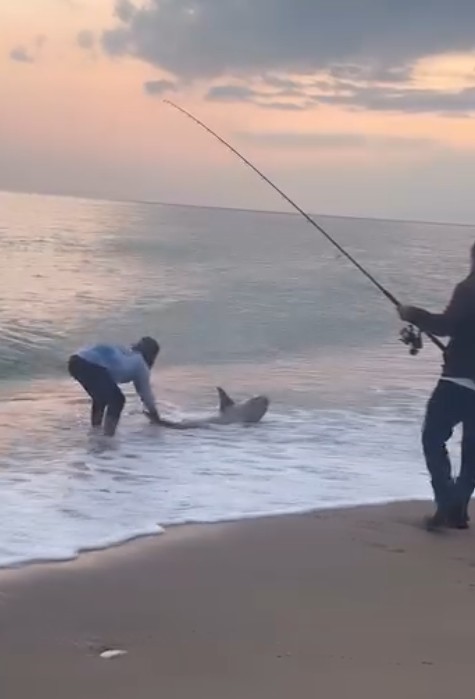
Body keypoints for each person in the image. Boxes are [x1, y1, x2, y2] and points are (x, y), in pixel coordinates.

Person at [398, 241, 475, 530]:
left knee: (433, 438)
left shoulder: (468, 288)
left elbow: (445, 326)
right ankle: (458, 509)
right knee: (472, 452)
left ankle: (446, 502)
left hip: (457, 381)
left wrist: (412, 314)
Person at [68, 336, 168, 436]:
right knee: (117, 400)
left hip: (75, 361)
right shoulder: (141, 364)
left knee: (100, 399)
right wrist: (156, 417)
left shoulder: (125, 351)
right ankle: (107, 437)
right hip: (91, 365)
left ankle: (96, 430)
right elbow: (146, 395)